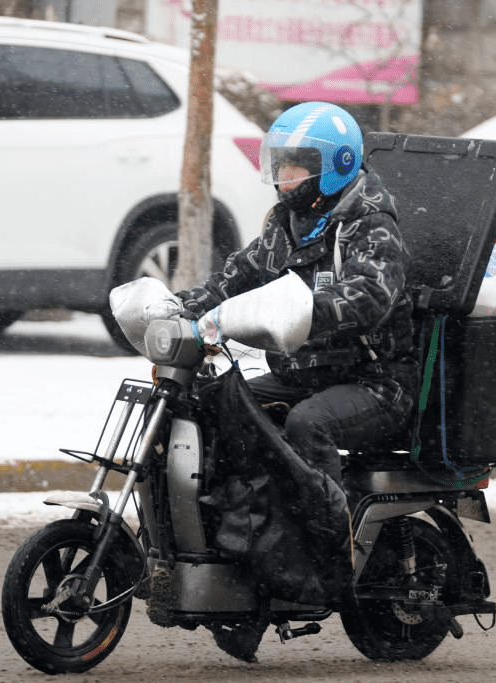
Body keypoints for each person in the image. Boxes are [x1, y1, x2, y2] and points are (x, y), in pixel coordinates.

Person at [178, 100, 418, 492]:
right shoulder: (287, 224)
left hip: (375, 383)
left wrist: (297, 310)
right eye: (279, 167)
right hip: (306, 376)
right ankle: (247, 516)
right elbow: (237, 275)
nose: (282, 178)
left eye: (293, 169)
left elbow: (371, 295)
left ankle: (325, 540)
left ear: (335, 166)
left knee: (308, 423)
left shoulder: (371, 224)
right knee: (215, 404)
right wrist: (180, 306)